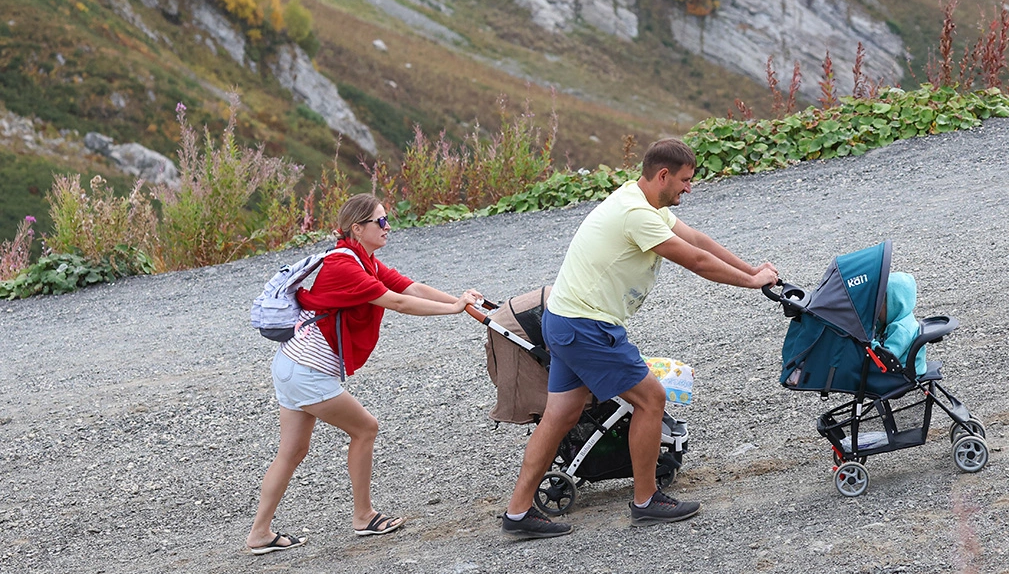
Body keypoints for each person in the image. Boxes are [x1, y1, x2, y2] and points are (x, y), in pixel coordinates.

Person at [501, 138, 778, 538]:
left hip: (563, 319)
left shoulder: (641, 200)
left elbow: (697, 240)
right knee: (651, 399)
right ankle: (647, 501)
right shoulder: (636, 214)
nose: (689, 188)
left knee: (560, 414)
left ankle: (517, 512)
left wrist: (752, 268)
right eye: (685, 180)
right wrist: (752, 283)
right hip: (586, 325)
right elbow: (696, 261)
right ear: (662, 175)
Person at [246, 193, 482, 555]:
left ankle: (260, 533)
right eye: (381, 221)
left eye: (387, 220)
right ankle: (364, 516)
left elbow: (409, 287)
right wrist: (452, 310)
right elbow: (398, 302)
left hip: (293, 366)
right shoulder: (345, 267)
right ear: (357, 228)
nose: (389, 227)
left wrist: (461, 302)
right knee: (365, 428)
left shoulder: (363, 259)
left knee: (292, 452)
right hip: (306, 371)